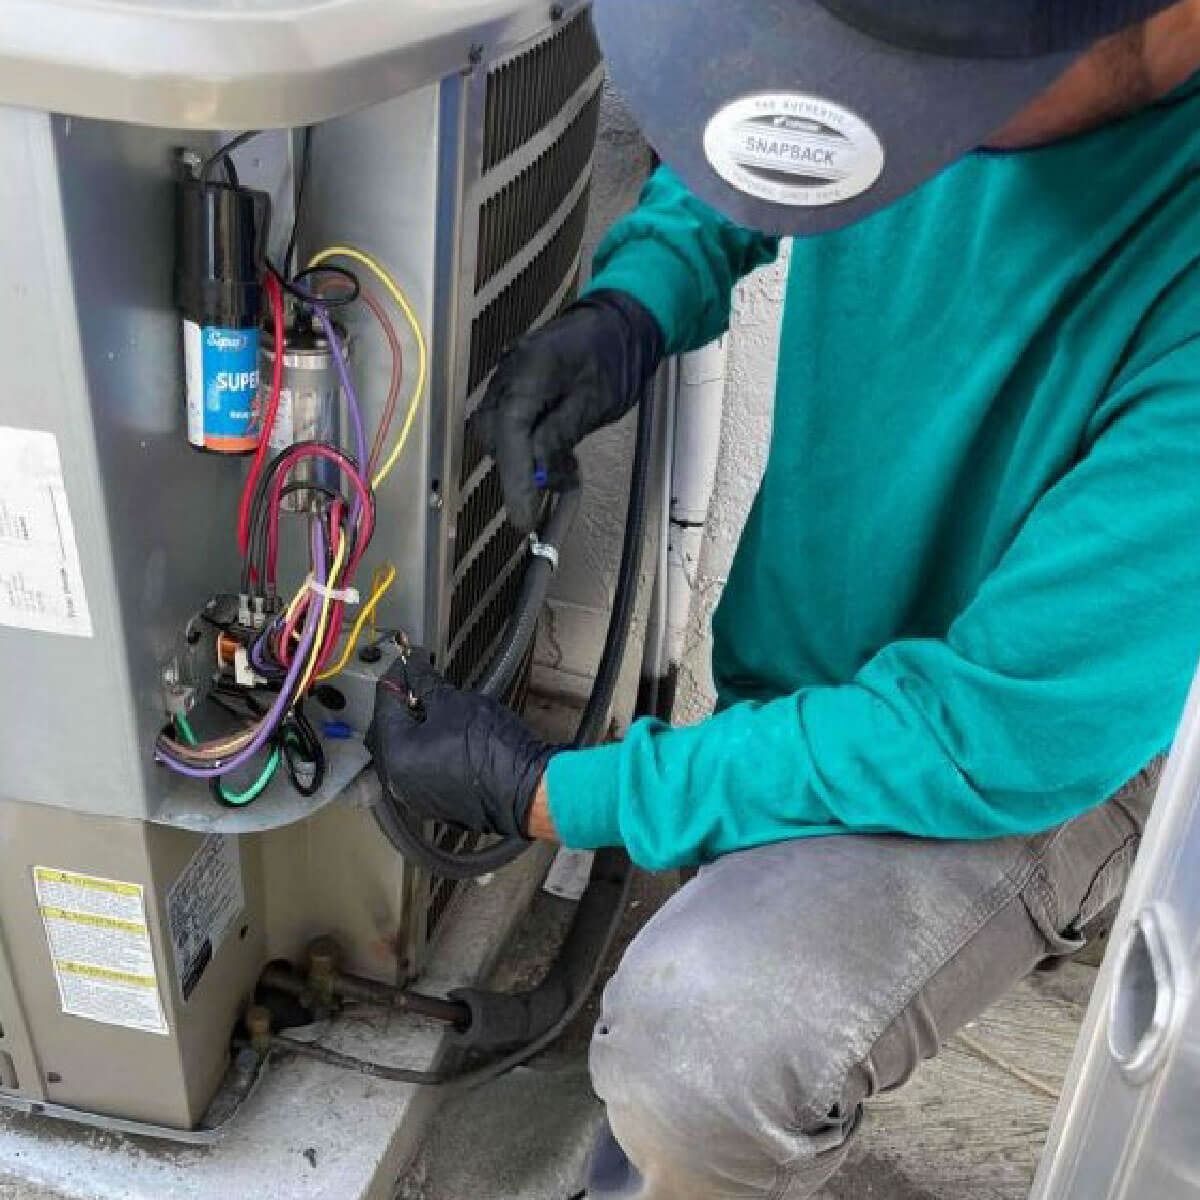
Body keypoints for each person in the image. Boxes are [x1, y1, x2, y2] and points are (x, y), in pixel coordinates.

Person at [369, 2, 1200, 1195]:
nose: (876, 111)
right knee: (703, 977)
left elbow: (991, 732)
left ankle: (705, 1133)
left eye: (907, 90)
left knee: (705, 1046)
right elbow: (778, 129)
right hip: (842, 654)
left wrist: (555, 795)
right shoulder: (951, 57)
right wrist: (637, 303)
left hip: (1045, 744)